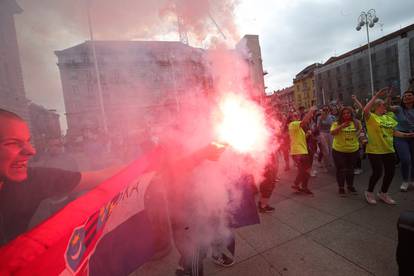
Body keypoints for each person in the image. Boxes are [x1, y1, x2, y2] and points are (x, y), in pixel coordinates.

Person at [0, 109, 127, 245]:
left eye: (27, 142)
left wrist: (146, 164)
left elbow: (101, 176)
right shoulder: (40, 164)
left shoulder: (33, 179)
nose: (31, 151)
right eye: (12, 143)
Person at [362, 88, 399, 205]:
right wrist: (376, 95)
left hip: (388, 149)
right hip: (375, 150)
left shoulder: (388, 117)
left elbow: (395, 132)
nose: (385, 106)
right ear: (377, 106)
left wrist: (408, 135)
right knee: (377, 172)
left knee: (390, 172)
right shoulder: (371, 117)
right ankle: (369, 192)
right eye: (383, 105)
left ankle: (383, 193)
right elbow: (365, 109)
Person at [330, 106, 361, 196]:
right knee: (341, 169)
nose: (346, 115)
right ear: (341, 115)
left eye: (348, 113)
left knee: (351, 169)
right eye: (344, 113)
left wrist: (358, 135)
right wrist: (341, 126)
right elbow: (332, 133)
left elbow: (360, 131)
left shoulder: (356, 122)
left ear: (351, 114)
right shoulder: (336, 123)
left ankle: (350, 186)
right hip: (339, 150)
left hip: (353, 149)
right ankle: (341, 188)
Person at [288, 106, 318, 195]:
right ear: (290, 119)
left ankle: (301, 186)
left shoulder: (297, 128)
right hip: (298, 152)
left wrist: (307, 135)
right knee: (304, 170)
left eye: (297, 115)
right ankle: (297, 184)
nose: (296, 116)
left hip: (302, 151)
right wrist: (311, 111)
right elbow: (304, 121)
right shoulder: (292, 124)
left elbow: (300, 139)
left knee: (306, 169)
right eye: (294, 115)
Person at [389, 89, 414, 191]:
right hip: (401, 137)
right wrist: (388, 97)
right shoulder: (398, 109)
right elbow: (387, 107)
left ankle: (412, 180)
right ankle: (405, 181)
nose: (407, 97)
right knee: (405, 159)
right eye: (405, 96)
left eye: (409, 95)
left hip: (413, 136)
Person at [317, 106, 335, 172]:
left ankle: (330, 162)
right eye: (324, 110)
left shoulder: (332, 117)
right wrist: (321, 119)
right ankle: (325, 166)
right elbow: (318, 127)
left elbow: (334, 125)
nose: (325, 111)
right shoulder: (319, 117)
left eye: (327, 110)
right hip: (323, 134)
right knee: (326, 151)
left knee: (331, 149)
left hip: (330, 134)